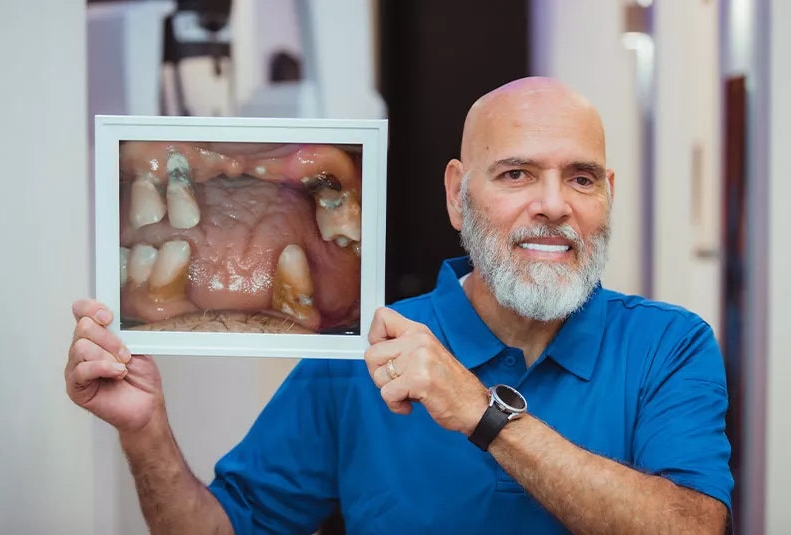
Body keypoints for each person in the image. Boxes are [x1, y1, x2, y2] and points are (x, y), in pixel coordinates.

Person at [66, 77, 733, 534]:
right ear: (456, 194)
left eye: (580, 178)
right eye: (516, 173)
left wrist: (479, 411)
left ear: (607, 195)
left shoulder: (669, 347)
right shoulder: (357, 354)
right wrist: (144, 430)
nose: (554, 204)